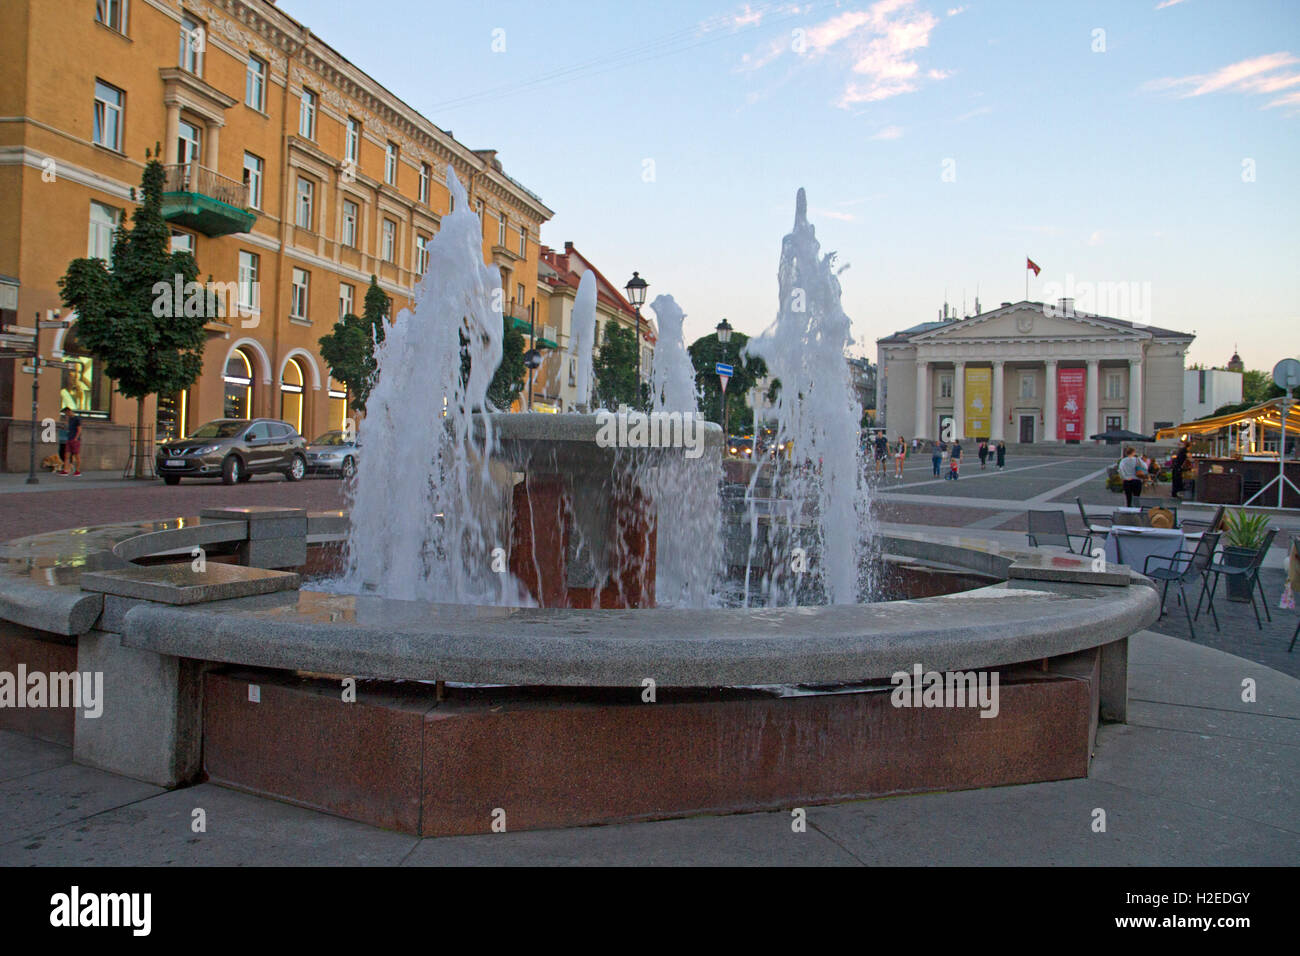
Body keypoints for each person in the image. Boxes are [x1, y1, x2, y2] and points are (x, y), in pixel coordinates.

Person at [60, 406, 82, 477]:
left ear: (68, 411)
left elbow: (79, 429)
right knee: (67, 455)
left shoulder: (77, 419)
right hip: (69, 439)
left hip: (74, 440)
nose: (66, 415)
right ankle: (66, 470)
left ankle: (78, 471)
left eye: (66, 414)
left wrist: (76, 438)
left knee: (76, 455)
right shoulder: (70, 419)